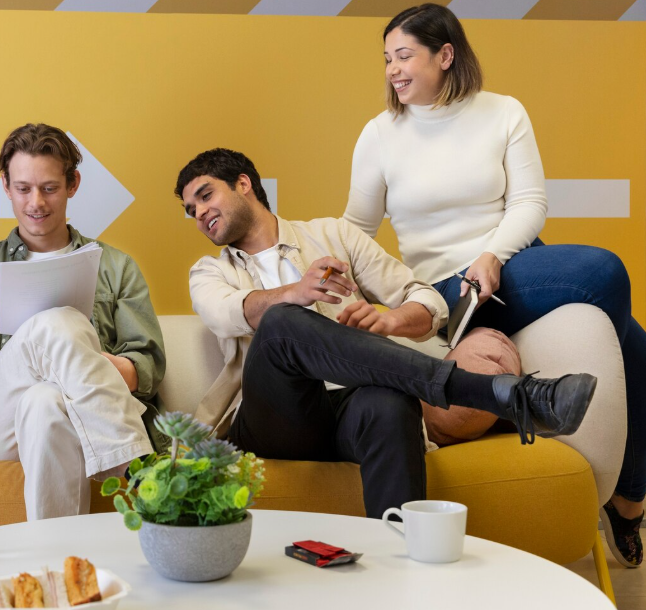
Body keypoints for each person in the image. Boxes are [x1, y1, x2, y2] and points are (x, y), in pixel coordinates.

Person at [342, 2, 645, 565]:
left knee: (636, 342)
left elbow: (530, 202)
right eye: (387, 59)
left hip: (514, 267)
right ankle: (629, 499)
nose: (393, 70)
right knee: (608, 278)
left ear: (445, 54)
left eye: (404, 55)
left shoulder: (503, 112)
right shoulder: (380, 134)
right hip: (446, 294)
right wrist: (346, 282)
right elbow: (356, 229)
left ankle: (626, 497)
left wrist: (492, 254)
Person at [179, 147, 597, 519]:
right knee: (280, 321)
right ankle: (489, 391)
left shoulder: (334, 234)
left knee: (390, 400)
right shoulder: (210, 271)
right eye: (190, 210)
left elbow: (426, 300)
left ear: (243, 184)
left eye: (205, 195)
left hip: (349, 406)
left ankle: (403, 564)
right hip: (274, 419)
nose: (198, 214)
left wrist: (392, 321)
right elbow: (226, 313)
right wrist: (297, 291)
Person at [0, 123, 164, 521]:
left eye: (49, 188)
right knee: (54, 324)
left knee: (45, 402)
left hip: (70, 418)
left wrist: (79, 358)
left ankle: (56, 560)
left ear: (73, 184)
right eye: (22, 189)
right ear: (5, 186)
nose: (35, 202)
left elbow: (148, 367)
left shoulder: (117, 267)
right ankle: (134, 467)